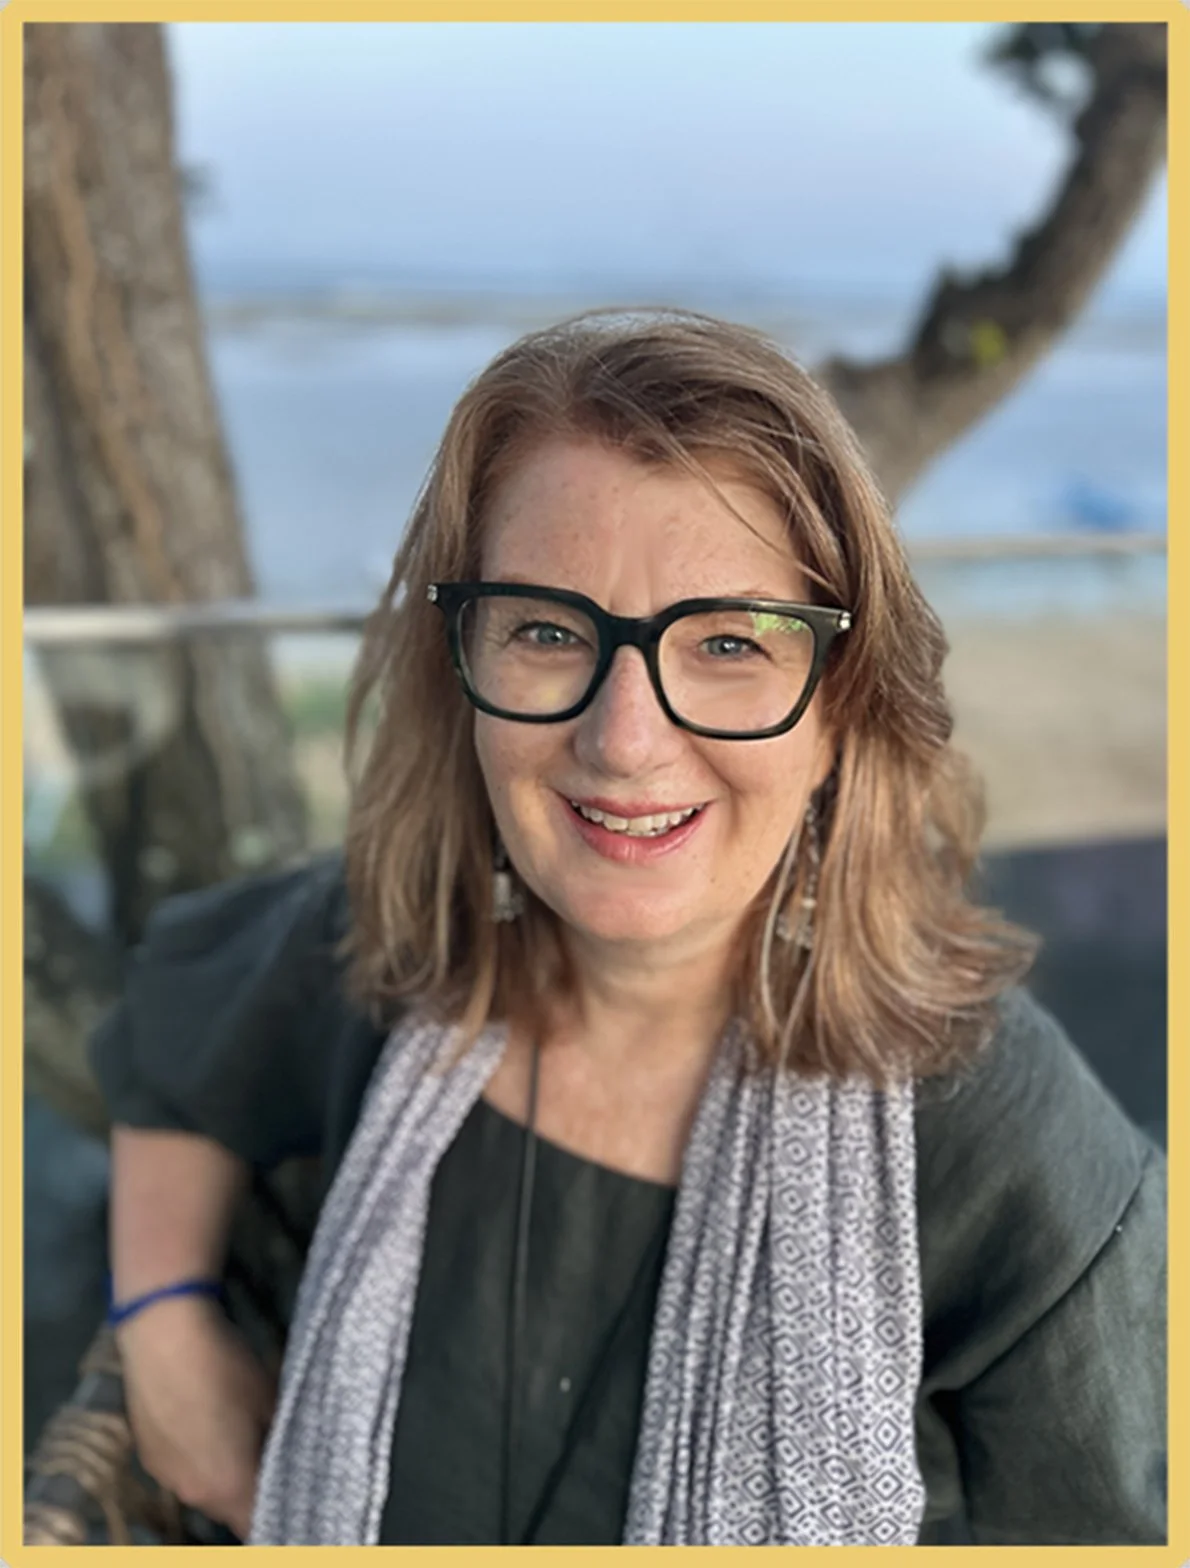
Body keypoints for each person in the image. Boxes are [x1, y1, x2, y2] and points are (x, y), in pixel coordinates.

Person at [90, 308, 1166, 1547]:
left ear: (844, 707)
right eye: (548, 631)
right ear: (461, 671)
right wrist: (164, 1319)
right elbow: (172, 1031)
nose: (625, 739)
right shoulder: (387, 945)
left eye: (725, 642)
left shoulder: (1007, 1158)